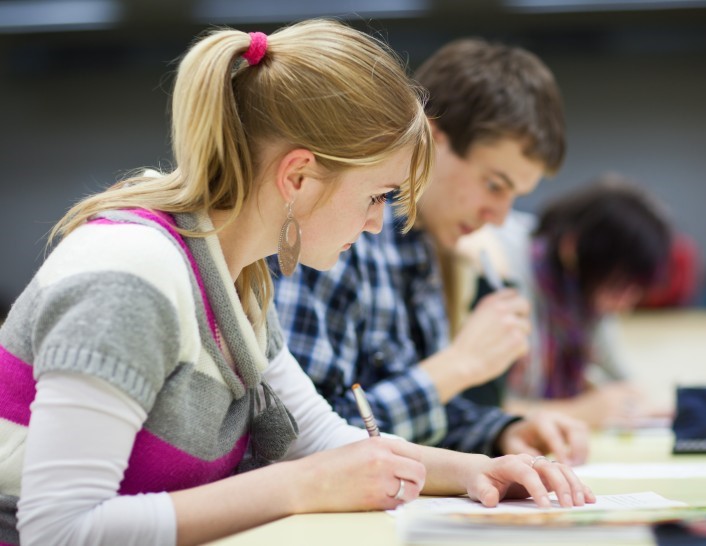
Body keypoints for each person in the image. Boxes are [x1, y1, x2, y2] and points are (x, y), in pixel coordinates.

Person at [0, 21, 595, 546]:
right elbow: (60, 532)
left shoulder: (242, 277)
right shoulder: (130, 274)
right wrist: (299, 486)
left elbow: (322, 439)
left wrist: (472, 471)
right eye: (377, 194)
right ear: (300, 176)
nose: (375, 221)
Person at [271, 38, 589, 465]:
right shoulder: (331, 238)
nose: (498, 217)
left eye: (515, 195)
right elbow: (299, 437)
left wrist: (502, 432)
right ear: (432, 140)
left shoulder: (423, 247)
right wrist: (459, 366)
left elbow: (424, 424)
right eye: (494, 185)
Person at [456, 175, 674, 428]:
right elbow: (477, 407)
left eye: (635, 292)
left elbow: (622, 381)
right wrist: (580, 411)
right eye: (618, 288)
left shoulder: (582, 300)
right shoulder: (498, 267)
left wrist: (638, 406)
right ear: (572, 249)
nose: (624, 306)